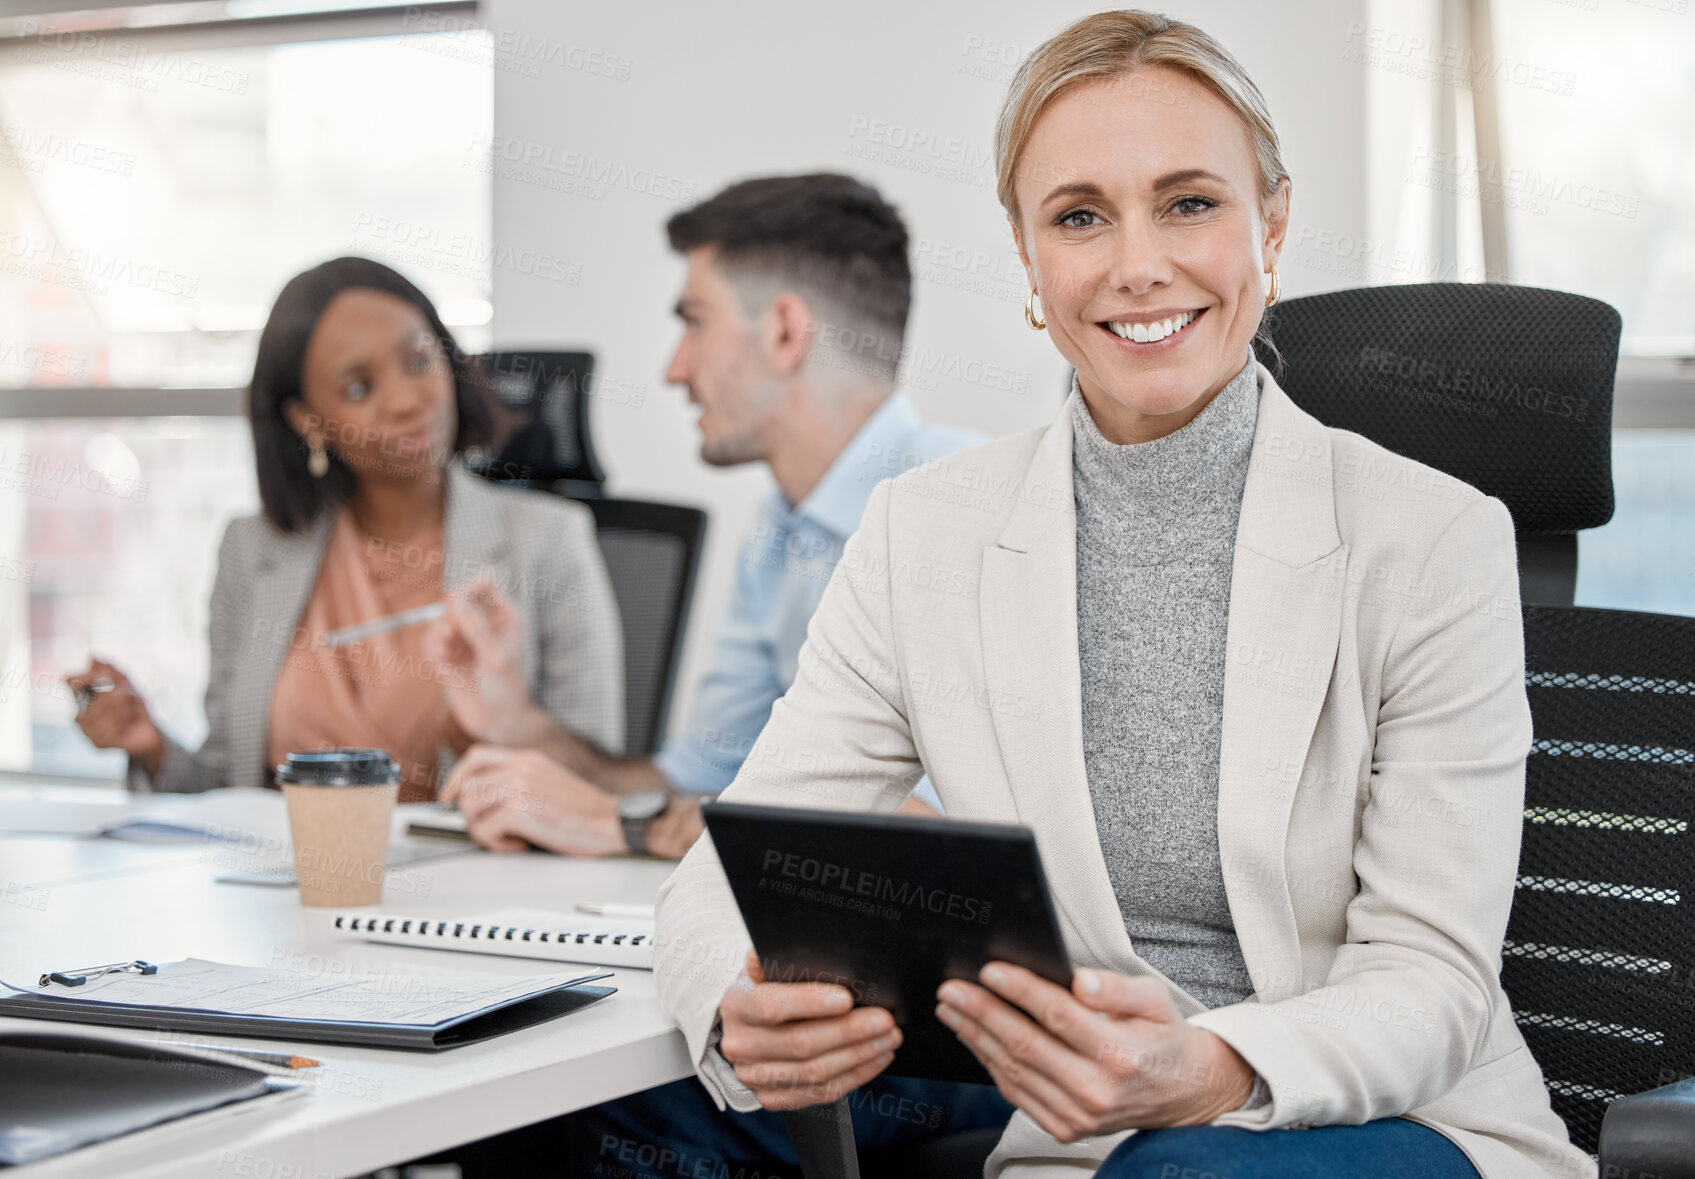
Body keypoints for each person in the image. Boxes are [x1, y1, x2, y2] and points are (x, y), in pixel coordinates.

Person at [652, 12, 1588, 1179]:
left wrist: (1211, 1069)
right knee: (643, 1108)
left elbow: (1432, 982)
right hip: (1074, 1120)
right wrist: (738, 1019)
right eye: (1080, 216)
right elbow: (721, 875)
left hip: (1379, 1115)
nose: (1137, 263)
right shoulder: (923, 532)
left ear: (1272, 225)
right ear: (1029, 254)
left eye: (1190, 202)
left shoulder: (1433, 540)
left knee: (1182, 1172)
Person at [428, 173, 979, 856]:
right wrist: (518, 721)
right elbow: (687, 785)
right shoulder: (778, 534)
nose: (673, 369)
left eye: (693, 322)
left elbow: (942, 845)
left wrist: (626, 826)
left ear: (783, 332)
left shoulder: (964, 512)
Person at [67, 256, 624, 801]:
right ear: (308, 421)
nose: (407, 402)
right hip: (295, 882)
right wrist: (149, 747)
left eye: (417, 361)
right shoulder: (253, 550)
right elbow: (229, 784)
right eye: (359, 389)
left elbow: (601, 787)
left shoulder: (547, 542)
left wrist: (503, 729)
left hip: (473, 884)